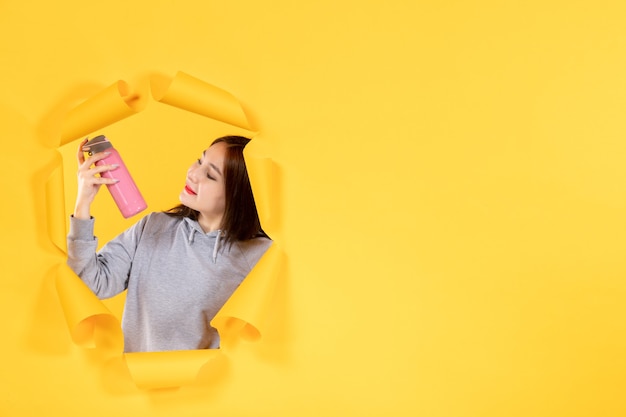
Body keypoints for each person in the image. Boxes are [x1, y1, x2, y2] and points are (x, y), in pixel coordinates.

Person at [66, 135, 271, 352]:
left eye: (210, 175)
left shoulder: (259, 256)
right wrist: (83, 206)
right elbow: (87, 285)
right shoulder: (152, 228)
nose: (193, 174)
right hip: (136, 382)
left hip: (209, 384)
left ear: (239, 195)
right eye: (200, 161)